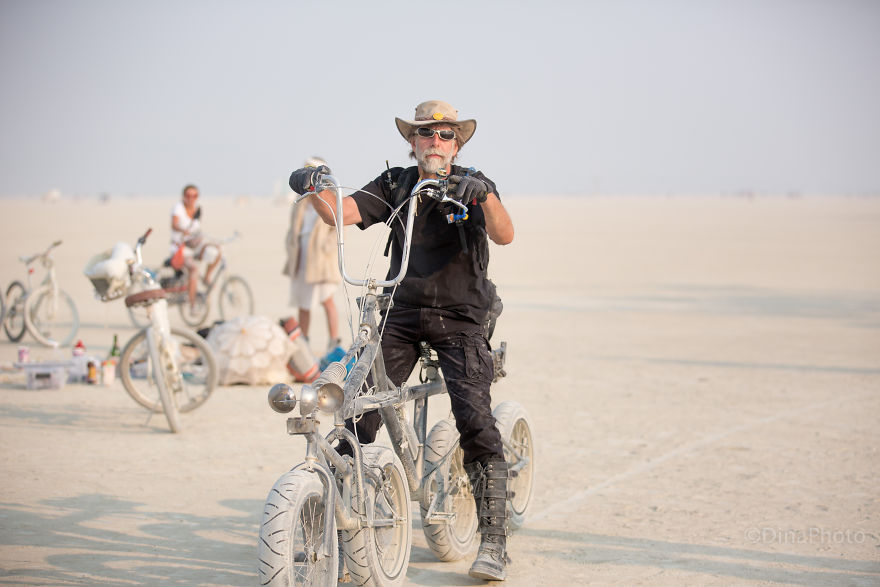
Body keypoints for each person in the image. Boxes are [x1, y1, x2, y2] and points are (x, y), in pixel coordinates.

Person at [289, 100, 515, 581]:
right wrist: (313, 188)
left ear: (458, 144)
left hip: (461, 316)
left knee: (474, 417)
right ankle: (339, 521)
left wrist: (484, 197)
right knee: (357, 408)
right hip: (401, 313)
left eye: (446, 135)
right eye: (426, 134)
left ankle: (493, 540)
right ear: (412, 142)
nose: (436, 142)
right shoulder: (397, 184)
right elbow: (339, 213)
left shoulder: (475, 184)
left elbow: (505, 233)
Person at [282, 157, 341, 349]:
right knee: (303, 301)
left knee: (326, 299)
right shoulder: (301, 199)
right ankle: (304, 341)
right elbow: (294, 227)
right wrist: (291, 245)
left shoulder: (331, 195)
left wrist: (326, 248)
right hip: (301, 255)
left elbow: (338, 228)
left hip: (321, 259)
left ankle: (334, 341)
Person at [169, 184, 221, 315]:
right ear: (184, 196)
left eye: (195, 196)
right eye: (189, 195)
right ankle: (192, 305)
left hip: (194, 246)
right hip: (180, 249)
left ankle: (207, 278)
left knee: (216, 251)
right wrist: (182, 230)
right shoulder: (178, 209)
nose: (191, 198)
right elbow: (174, 224)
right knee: (194, 269)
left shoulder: (197, 210)